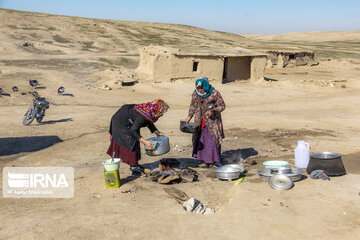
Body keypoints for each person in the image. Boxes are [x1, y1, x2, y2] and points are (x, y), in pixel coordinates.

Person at [107, 99, 169, 174]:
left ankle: (135, 165)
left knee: (136, 139)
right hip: (120, 123)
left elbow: (148, 121)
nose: (162, 114)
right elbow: (133, 131)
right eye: (161, 112)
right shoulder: (141, 117)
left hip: (128, 120)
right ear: (156, 110)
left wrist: (157, 132)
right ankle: (134, 168)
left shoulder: (149, 111)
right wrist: (145, 142)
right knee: (130, 143)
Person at [185, 77, 225, 167]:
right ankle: (205, 161)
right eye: (198, 88)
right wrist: (189, 116)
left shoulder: (214, 93)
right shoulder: (195, 93)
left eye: (202, 88)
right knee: (201, 140)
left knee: (212, 141)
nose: (200, 90)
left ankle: (214, 161)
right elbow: (193, 105)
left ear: (206, 86)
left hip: (212, 122)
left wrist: (213, 111)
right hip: (199, 121)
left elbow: (222, 106)